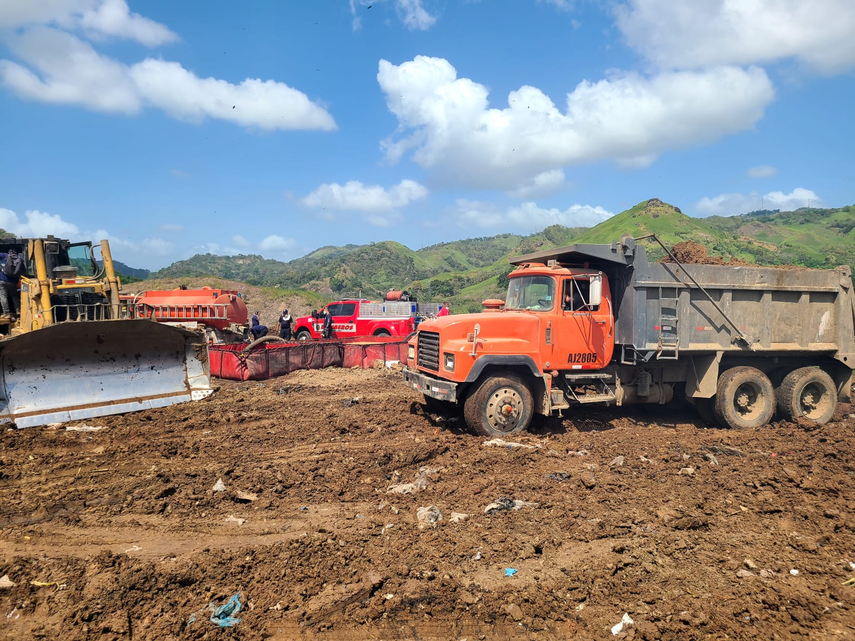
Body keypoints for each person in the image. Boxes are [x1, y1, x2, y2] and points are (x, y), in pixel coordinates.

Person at [0, 250, 23, 321]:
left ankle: (6, 313)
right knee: (14, 296)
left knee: (3, 296)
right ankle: (18, 311)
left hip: (2, 281)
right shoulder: (20, 258)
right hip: (14, 282)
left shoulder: (4, 256)